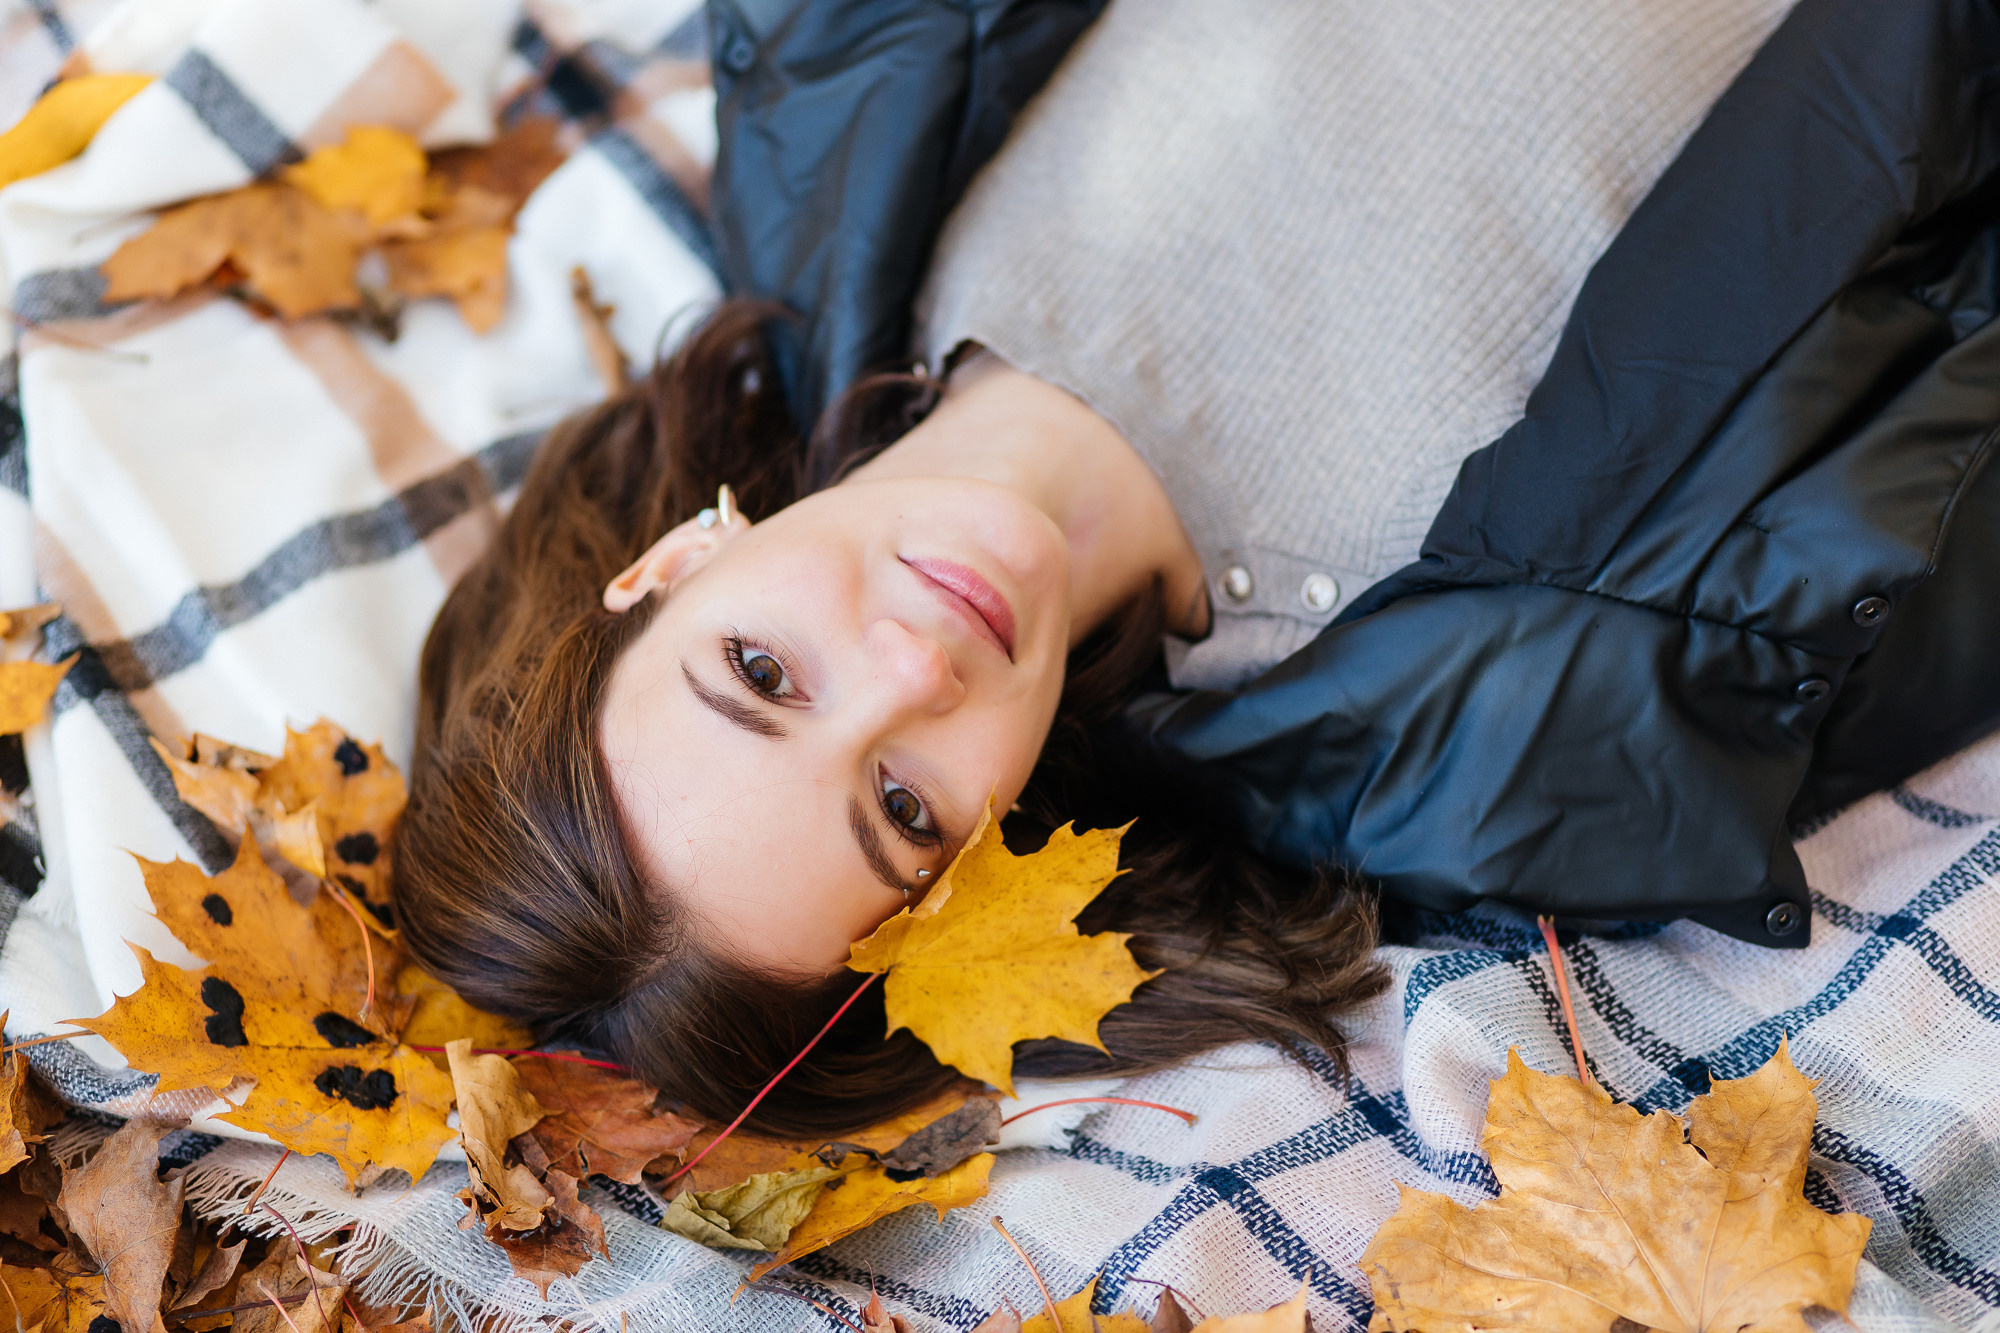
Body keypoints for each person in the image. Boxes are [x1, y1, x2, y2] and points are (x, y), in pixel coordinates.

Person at [392, 0, 2000, 1135]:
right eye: (902, 808)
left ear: (673, 564)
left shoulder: (847, 111)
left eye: (761, 673)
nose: (910, 669)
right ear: (987, 865)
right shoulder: (1518, 710)